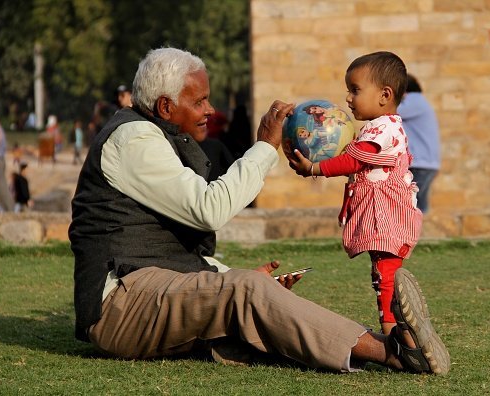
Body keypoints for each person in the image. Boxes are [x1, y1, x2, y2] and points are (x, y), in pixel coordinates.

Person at [68, 47, 449, 375]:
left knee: (248, 287)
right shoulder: (133, 139)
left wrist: (222, 274)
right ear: (166, 106)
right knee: (246, 289)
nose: (210, 109)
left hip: (148, 290)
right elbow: (208, 209)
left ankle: (372, 344)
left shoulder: (156, 135)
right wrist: (266, 147)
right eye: (199, 101)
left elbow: (166, 244)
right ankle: (392, 352)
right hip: (119, 307)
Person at [289, 52, 426, 340]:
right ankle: (400, 326)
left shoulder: (383, 129)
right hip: (384, 211)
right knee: (382, 271)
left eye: (355, 90)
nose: (348, 99)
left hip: (384, 214)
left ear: (384, 95)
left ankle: (399, 334)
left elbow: (354, 161)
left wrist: (315, 167)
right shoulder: (380, 127)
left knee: (385, 274)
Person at [397, 75, 441, 214]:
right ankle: (420, 233)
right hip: (425, 163)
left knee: (413, 204)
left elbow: (390, 112)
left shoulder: (414, 100)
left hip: (420, 163)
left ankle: (417, 233)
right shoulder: (419, 102)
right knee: (418, 203)